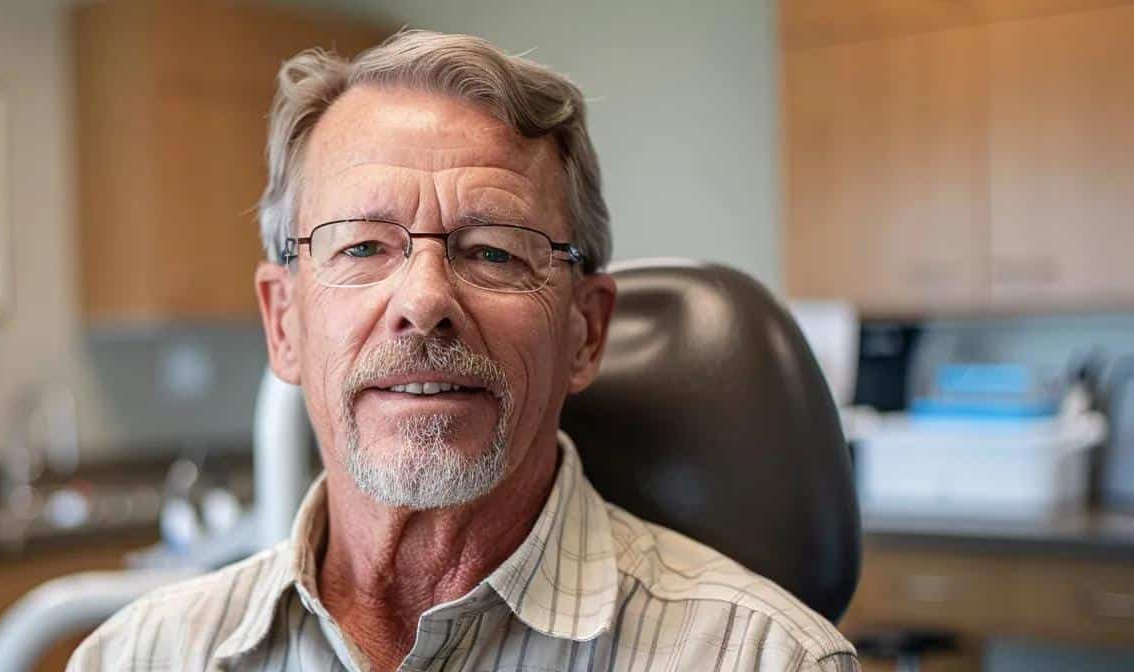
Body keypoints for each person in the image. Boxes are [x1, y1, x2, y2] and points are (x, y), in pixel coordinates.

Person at [68, 30, 857, 672]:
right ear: (284, 323)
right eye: (362, 247)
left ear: (585, 330)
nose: (423, 302)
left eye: (493, 251)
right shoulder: (139, 656)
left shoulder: (766, 660)